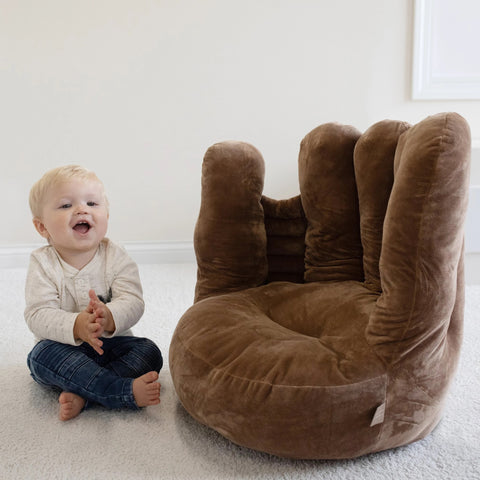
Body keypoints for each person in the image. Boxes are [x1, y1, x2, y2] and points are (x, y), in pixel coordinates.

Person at [25, 165, 163, 421]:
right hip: (64, 348)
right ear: (42, 227)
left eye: (91, 202)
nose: (81, 209)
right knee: (39, 358)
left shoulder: (116, 255)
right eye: (66, 205)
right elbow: (37, 313)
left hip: (112, 345)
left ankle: (85, 394)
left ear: (106, 215)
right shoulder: (43, 263)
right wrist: (76, 325)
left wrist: (109, 315)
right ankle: (120, 391)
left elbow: (133, 300)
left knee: (149, 351)